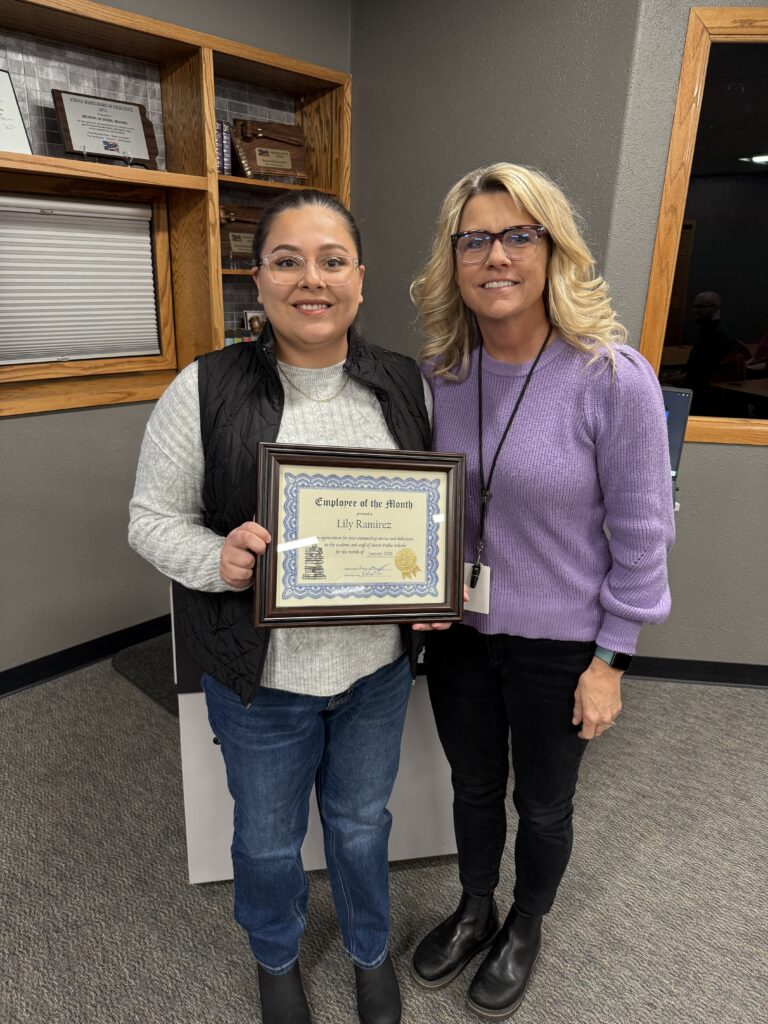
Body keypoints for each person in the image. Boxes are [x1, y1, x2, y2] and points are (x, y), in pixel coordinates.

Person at [128, 190, 449, 1024]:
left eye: (332, 261)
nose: (312, 279)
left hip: (376, 672)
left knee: (360, 824)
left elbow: (433, 511)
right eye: (287, 261)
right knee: (268, 841)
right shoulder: (202, 388)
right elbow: (150, 520)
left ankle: (369, 951)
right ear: (259, 279)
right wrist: (218, 560)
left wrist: (434, 583)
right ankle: (276, 959)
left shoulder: (405, 385)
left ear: (360, 279)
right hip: (260, 681)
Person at [408, 163, 675, 1019]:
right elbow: (424, 506)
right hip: (459, 632)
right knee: (473, 786)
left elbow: (644, 535)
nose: (497, 256)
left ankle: (525, 923)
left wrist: (612, 660)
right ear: (454, 259)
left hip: (562, 643)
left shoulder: (611, 376)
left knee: (544, 802)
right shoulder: (441, 374)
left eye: (518, 236)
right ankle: (475, 906)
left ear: (553, 251)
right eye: (476, 240)